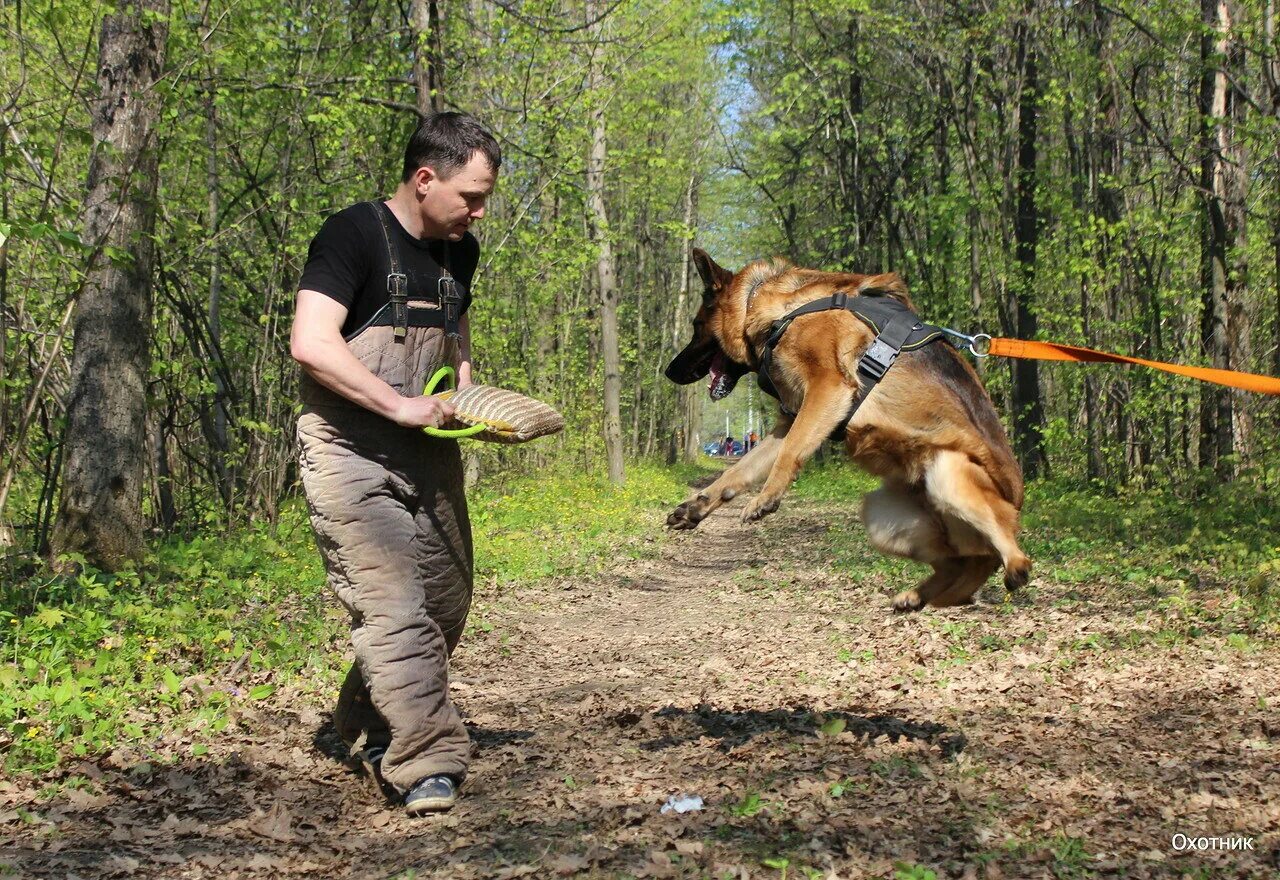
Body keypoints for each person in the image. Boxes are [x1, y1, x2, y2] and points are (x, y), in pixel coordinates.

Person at [290, 112, 500, 815]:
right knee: (395, 607)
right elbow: (312, 342)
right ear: (425, 178)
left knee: (445, 602)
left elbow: (455, 339)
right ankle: (426, 760)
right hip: (348, 448)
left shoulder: (459, 253)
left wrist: (469, 397)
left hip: (429, 450)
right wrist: (399, 405)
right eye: (471, 197)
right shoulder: (352, 233)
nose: (478, 211)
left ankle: (365, 718)